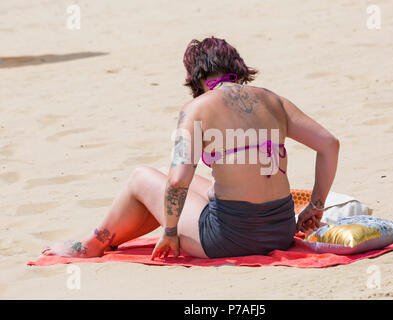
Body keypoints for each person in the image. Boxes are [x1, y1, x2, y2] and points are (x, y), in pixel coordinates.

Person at [41, 36, 339, 259]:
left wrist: (170, 232)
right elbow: (329, 144)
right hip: (281, 231)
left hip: (230, 240)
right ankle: (110, 239)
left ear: (195, 77)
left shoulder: (197, 108)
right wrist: (315, 206)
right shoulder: (273, 99)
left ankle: (90, 245)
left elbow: (178, 179)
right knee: (166, 178)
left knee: (142, 177)